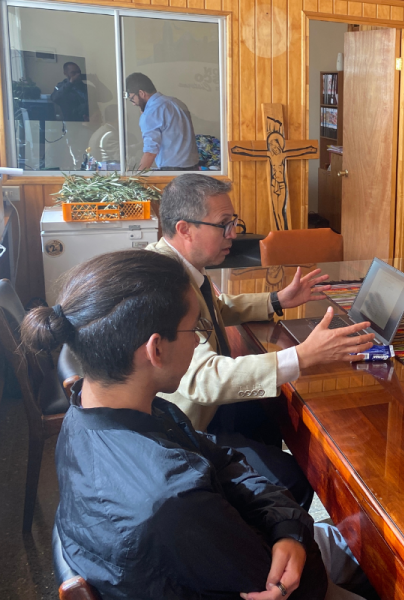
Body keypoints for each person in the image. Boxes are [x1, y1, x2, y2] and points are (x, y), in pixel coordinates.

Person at [21, 250, 371, 600]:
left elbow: (222, 459)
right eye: (195, 329)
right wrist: (295, 535)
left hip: (222, 548)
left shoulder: (89, 408)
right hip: (281, 578)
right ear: (155, 349)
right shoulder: (170, 501)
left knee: (352, 538)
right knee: (377, 552)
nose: (197, 341)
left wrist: (289, 527)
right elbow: (289, 582)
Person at [147, 173, 374, 509]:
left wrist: (277, 300)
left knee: (278, 410)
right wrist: (302, 355)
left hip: (208, 409)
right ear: (184, 229)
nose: (234, 234)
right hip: (187, 427)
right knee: (292, 477)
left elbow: (217, 308)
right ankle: (264, 547)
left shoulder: (181, 265)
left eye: (234, 222)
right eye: (224, 224)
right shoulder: (162, 286)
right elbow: (203, 380)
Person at [125, 72, 199, 171]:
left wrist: (136, 179)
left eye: (132, 99)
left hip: (172, 171)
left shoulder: (151, 112)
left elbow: (150, 152)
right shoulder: (177, 103)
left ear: (141, 93)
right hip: (193, 168)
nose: (133, 104)